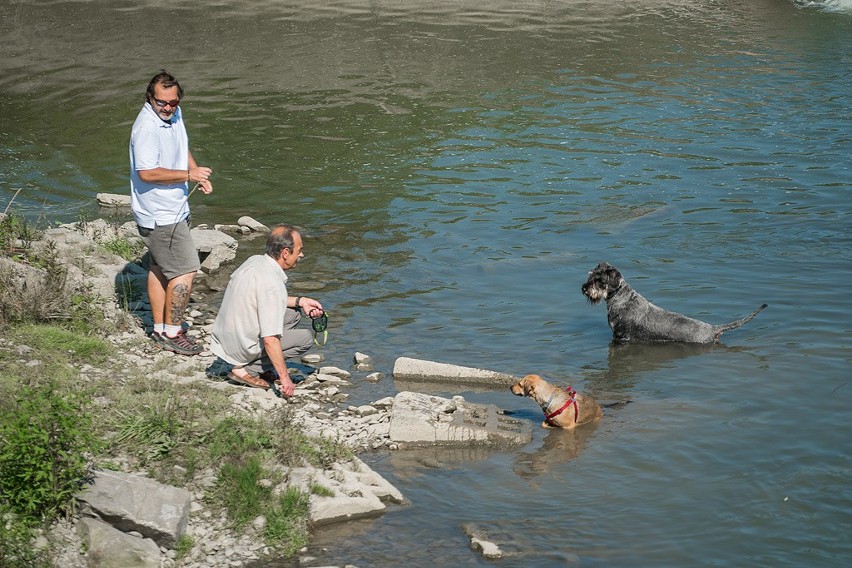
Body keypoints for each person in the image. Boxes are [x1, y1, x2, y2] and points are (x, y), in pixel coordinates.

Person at [129, 70, 213, 355]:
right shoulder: (146, 129)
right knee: (186, 270)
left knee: (159, 268)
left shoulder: (173, 115)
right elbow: (147, 172)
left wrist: (196, 173)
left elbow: (182, 145)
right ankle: (173, 333)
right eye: (161, 102)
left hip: (174, 208)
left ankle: (160, 327)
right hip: (160, 215)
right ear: (149, 98)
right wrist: (188, 176)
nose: (167, 108)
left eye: (172, 102)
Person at [208, 224, 324, 397]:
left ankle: (261, 364)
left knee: (293, 314)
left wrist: (301, 301)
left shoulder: (255, 260)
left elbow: (266, 299)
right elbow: (270, 339)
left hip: (224, 336)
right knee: (305, 338)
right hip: (239, 346)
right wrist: (285, 379)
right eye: (299, 250)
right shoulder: (272, 285)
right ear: (285, 253)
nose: (301, 255)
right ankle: (246, 369)